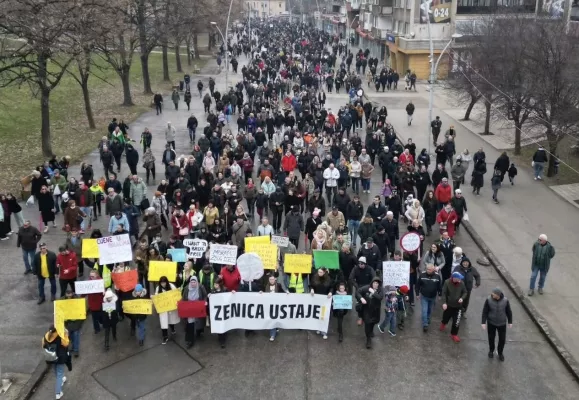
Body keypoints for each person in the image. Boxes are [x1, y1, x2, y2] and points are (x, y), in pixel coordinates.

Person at [482, 287, 513, 361]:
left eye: (494, 294)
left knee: (502, 339)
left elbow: (509, 311)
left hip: (502, 323)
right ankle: (491, 351)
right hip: (491, 322)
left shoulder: (505, 301)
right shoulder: (488, 300)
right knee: (491, 338)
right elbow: (485, 311)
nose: (492, 295)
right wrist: (483, 322)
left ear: (498, 295)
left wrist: (510, 321)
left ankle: (500, 353)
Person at [42, 324, 71, 400]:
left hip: (51, 357)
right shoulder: (60, 335)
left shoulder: (46, 336)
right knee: (60, 373)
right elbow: (66, 344)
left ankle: (62, 379)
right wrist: (66, 334)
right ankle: (58, 393)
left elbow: (43, 345)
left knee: (55, 368)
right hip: (60, 357)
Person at [356, 277, 384, 349]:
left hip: (376, 310)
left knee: (374, 322)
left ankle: (371, 331)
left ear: (379, 284)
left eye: (377, 283)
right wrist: (361, 298)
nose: (375, 284)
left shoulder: (380, 290)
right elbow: (358, 292)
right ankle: (368, 339)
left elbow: (380, 297)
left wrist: (373, 292)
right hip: (367, 309)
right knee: (367, 323)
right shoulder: (366, 288)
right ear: (372, 283)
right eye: (374, 283)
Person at [440, 272, 467, 343]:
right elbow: (444, 293)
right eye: (459, 278)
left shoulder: (462, 283)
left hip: (458, 306)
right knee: (446, 317)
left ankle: (454, 334)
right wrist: (444, 303)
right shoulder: (447, 282)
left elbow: (465, 292)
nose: (460, 280)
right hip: (449, 305)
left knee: (457, 321)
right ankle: (443, 323)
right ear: (454, 278)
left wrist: (462, 298)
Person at [416, 264, 442, 332]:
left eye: (430, 269)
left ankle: (427, 318)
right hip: (424, 296)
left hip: (433, 297)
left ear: (433, 269)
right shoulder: (422, 275)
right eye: (427, 269)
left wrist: (440, 294)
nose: (428, 271)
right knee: (424, 310)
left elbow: (439, 286)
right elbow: (418, 285)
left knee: (429, 310)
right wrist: (417, 294)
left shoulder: (437, 276)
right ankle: (425, 324)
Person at [155, 276, 180, 344]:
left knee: (171, 320)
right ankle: (165, 336)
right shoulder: (158, 288)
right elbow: (156, 298)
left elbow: (176, 295)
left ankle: (172, 328)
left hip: (171, 307)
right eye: (162, 283)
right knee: (163, 322)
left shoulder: (171, 286)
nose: (163, 284)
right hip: (163, 309)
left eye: (164, 282)